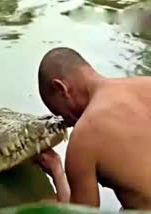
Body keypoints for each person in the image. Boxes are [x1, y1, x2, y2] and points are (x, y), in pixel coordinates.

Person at [36, 47, 151, 210]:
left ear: (61, 89)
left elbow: (82, 213)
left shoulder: (85, 135)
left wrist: (56, 170)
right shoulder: (146, 84)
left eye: (60, 112)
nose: (68, 122)